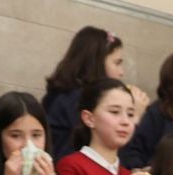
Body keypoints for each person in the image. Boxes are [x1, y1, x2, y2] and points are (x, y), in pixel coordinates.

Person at [54, 77, 151, 175]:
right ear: (89, 118)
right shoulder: (72, 166)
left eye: (130, 114)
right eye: (114, 112)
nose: (125, 121)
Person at [41, 24, 127, 156]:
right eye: (117, 63)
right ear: (97, 62)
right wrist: (135, 116)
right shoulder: (74, 100)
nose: (121, 72)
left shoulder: (66, 95)